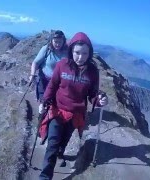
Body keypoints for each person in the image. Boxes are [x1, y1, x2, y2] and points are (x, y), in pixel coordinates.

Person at [38, 32, 108, 180]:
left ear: (89, 54)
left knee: (64, 140)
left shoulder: (93, 72)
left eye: (84, 53)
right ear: (71, 51)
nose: (80, 57)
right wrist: (45, 102)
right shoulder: (62, 65)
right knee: (53, 143)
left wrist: (99, 101)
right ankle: (45, 176)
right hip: (57, 110)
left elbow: (92, 95)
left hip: (76, 114)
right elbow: (52, 85)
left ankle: (60, 152)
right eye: (77, 52)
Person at [29, 30, 68, 114]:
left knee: (55, 103)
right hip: (44, 81)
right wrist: (32, 75)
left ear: (63, 41)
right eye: (55, 41)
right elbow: (36, 62)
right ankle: (41, 120)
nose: (57, 44)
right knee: (44, 103)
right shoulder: (46, 49)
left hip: (59, 83)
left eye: (60, 42)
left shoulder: (67, 51)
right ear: (51, 40)